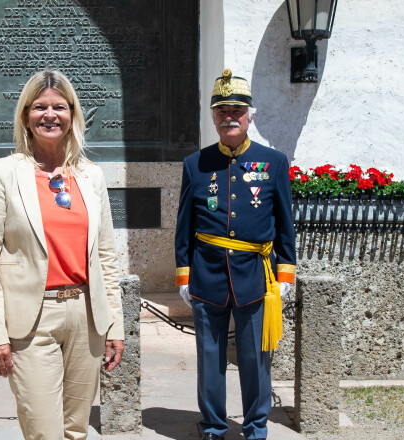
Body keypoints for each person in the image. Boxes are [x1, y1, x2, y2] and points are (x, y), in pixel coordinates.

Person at [0, 69, 125, 440]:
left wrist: (114, 325)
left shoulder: (91, 176)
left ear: (72, 115)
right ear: (25, 115)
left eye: (59, 107)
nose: (50, 115)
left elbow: (106, 256)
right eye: (39, 107)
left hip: (85, 317)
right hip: (31, 320)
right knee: (43, 431)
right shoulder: (2, 174)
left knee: (76, 430)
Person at [174, 69, 296, 440]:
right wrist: (184, 273)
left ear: (250, 116)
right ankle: (213, 426)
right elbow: (184, 224)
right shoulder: (195, 164)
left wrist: (287, 273)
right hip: (207, 274)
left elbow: (284, 223)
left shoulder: (273, 162)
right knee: (210, 359)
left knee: (255, 359)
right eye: (222, 110)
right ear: (213, 117)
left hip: (255, 276)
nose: (230, 116)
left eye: (237, 110)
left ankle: (256, 426)